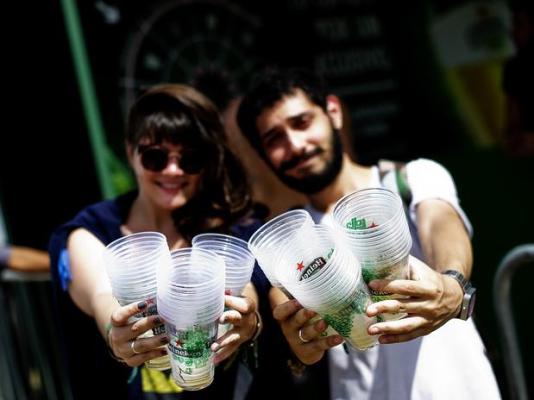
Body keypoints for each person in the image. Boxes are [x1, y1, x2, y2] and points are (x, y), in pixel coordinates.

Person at [236, 67, 501, 399]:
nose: (296, 145)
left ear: (332, 112)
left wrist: (452, 282)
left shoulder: (409, 180)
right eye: (274, 139)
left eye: (302, 122)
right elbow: (284, 302)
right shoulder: (290, 239)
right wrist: (301, 341)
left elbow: (441, 225)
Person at [48, 84, 270, 399]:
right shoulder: (90, 232)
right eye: (155, 156)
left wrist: (247, 321)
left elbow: (244, 289)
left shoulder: (228, 229)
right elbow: (101, 292)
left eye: (191, 159)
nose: (173, 170)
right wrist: (119, 333)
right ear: (130, 152)